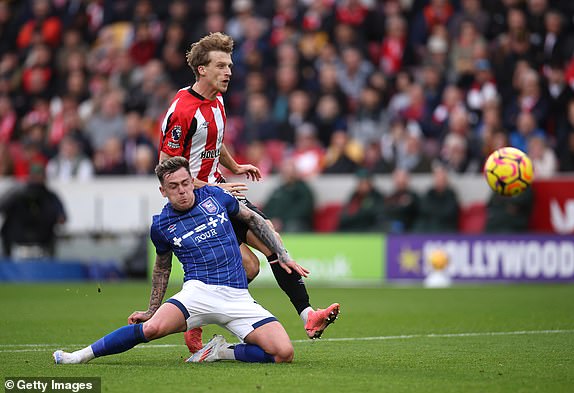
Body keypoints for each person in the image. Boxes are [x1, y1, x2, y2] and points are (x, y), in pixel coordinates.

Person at [156, 32, 339, 353]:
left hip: (221, 193)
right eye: (221, 66)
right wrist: (211, 186)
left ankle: (309, 314)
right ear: (202, 69)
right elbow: (165, 167)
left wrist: (235, 165)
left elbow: (212, 140)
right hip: (198, 204)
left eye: (230, 65)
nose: (229, 71)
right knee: (255, 260)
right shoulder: (182, 111)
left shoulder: (217, 100)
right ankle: (198, 319)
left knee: (266, 248)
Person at [53, 157, 306, 364]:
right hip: (197, 294)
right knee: (151, 329)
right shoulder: (161, 225)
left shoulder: (215, 197)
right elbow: (162, 268)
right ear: (163, 191)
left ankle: (220, 352)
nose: (182, 190)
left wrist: (281, 253)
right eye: (174, 186)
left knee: (283, 353)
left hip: (238, 297)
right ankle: (79, 356)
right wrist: (151, 309)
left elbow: (253, 219)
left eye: (186, 183)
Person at [0, 163, 66, 258]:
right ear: (29, 177)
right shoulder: (17, 193)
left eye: (40, 176)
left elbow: (62, 217)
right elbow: (2, 208)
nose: (37, 180)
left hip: (42, 239)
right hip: (17, 239)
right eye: (35, 176)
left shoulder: (50, 196)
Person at [263, 158, 315, 232]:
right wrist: (271, 220)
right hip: (275, 223)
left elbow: (304, 209)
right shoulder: (278, 190)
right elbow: (268, 208)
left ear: (295, 173)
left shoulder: (303, 189)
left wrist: (282, 221)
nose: (287, 175)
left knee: (292, 226)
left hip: (296, 223)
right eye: (285, 172)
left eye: (289, 172)